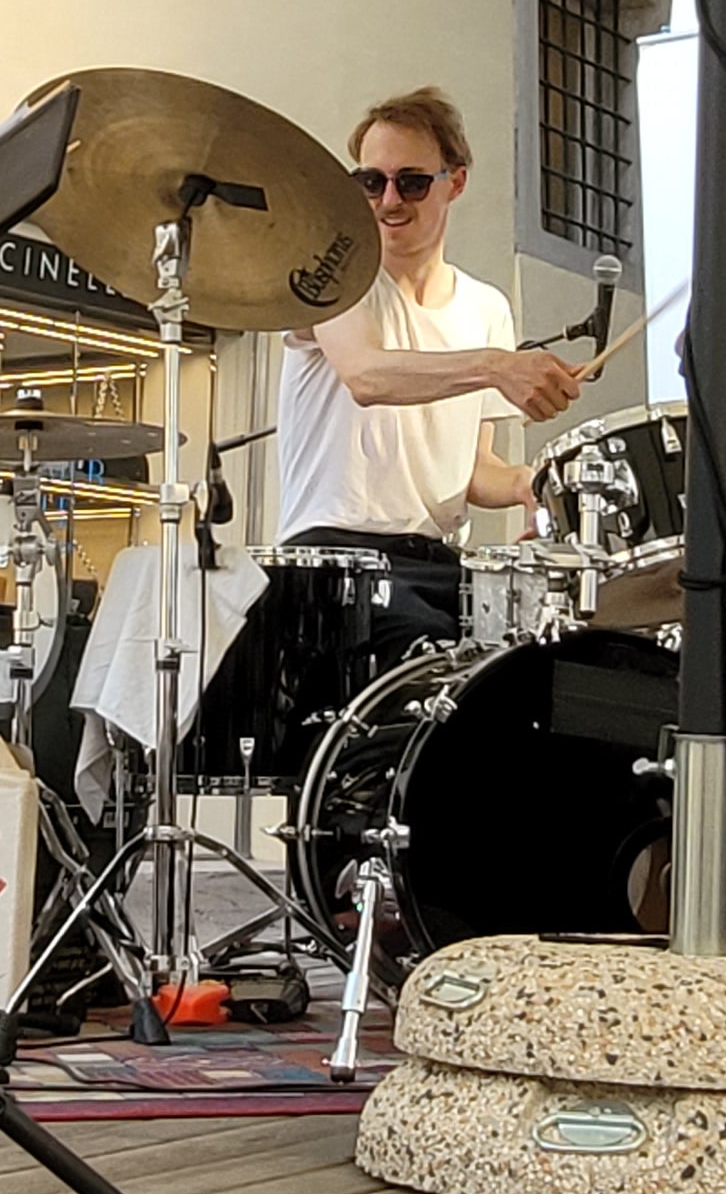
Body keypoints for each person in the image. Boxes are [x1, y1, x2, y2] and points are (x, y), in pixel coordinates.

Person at [191, 90, 581, 780]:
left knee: (529, 681)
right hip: (333, 560)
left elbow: (471, 471)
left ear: (456, 182)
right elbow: (367, 375)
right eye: (370, 181)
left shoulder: (486, 307)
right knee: (422, 724)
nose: (389, 200)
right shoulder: (336, 274)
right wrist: (496, 366)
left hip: (436, 562)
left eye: (412, 182)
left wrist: (532, 484)